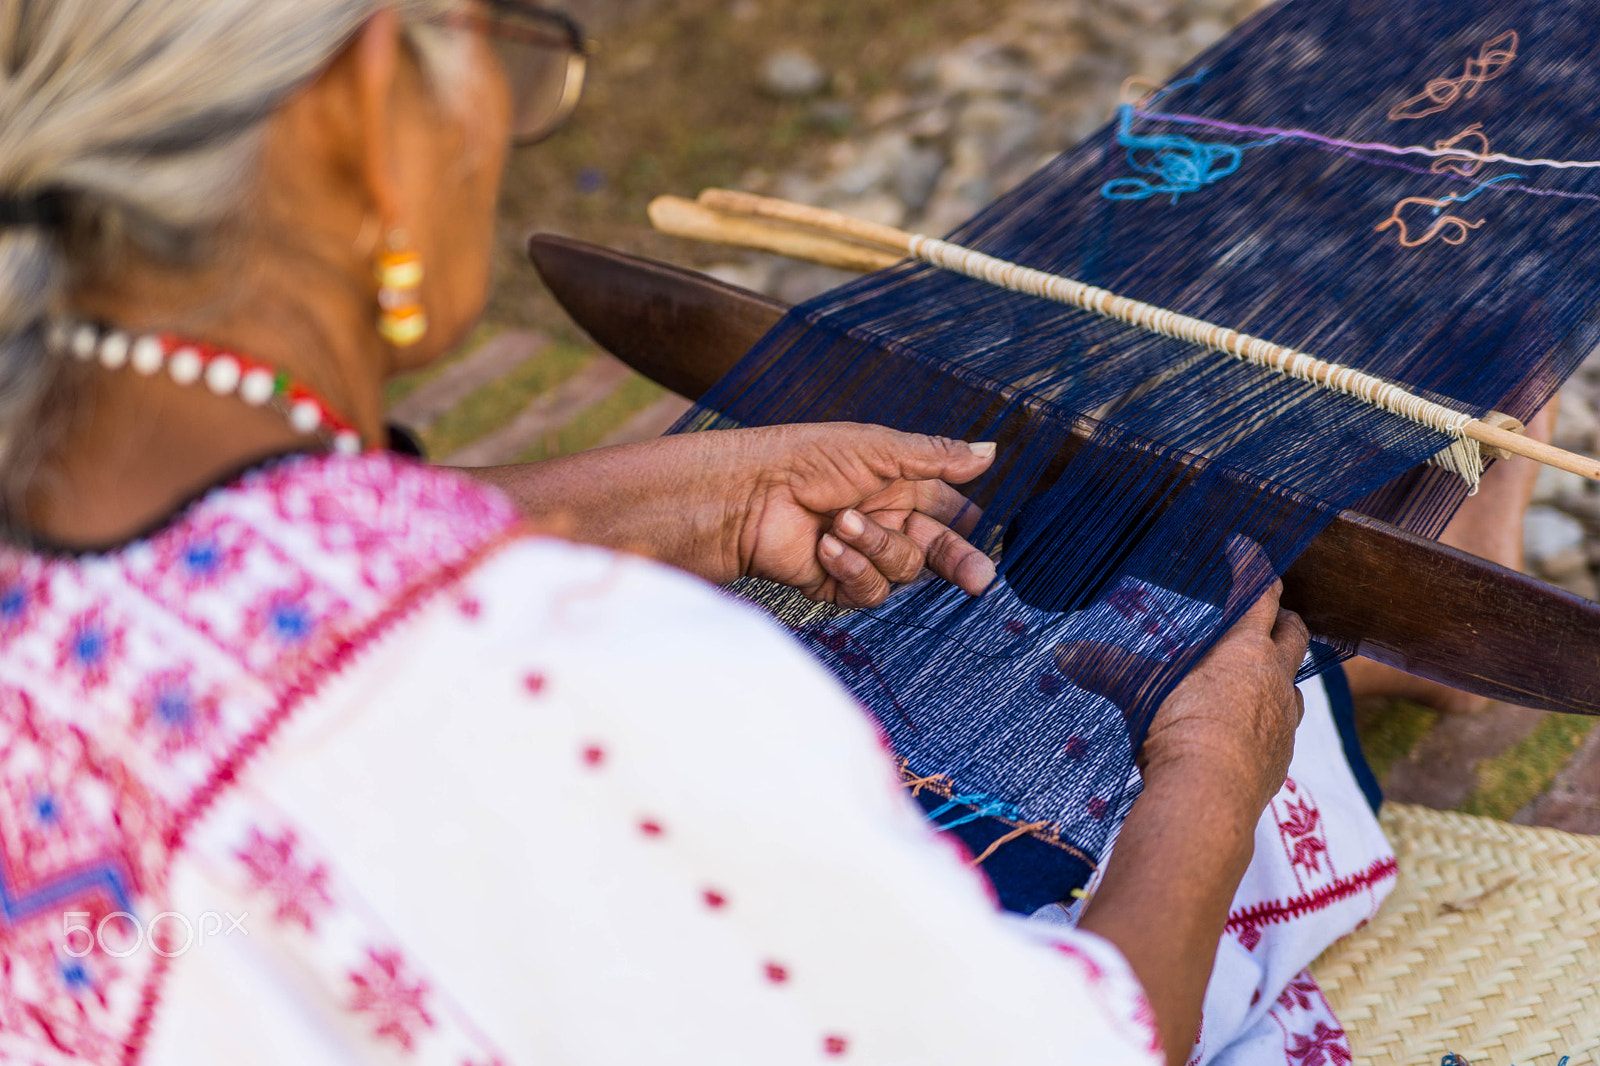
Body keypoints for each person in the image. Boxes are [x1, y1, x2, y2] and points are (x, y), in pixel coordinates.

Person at [0, 2, 1544, 1063]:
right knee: (1176, 698)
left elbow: (257, 617)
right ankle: (1364, 663)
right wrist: (1207, 788)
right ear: (360, 114)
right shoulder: (577, 686)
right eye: (506, 58)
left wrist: (672, 497)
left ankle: (1386, 638)